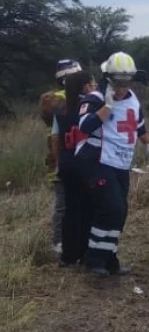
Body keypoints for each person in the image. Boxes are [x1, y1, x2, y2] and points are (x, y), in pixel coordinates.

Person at [75, 51, 149, 276]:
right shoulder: (95, 98)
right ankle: (94, 259)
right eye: (117, 82)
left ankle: (109, 259)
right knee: (112, 208)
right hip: (97, 161)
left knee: (120, 213)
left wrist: (148, 146)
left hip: (121, 163)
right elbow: (84, 127)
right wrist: (107, 108)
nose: (121, 88)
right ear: (108, 78)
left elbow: (138, 124)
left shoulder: (132, 99)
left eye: (126, 82)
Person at [52, 70, 96, 266]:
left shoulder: (61, 108)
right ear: (85, 86)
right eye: (92, 84)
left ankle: (68, 256)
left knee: (70, 210)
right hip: (85, 163)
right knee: (88, 209)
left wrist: (58, 161)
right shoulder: (89, 106)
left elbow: (55, 136)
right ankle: (86, 252)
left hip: (66, 162)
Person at [40, 59, 83, 254]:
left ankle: (69, 238)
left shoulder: (65, 98)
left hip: (68, 157)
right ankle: (58, 241)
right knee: (63, 203)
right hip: (60, 159)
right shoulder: (58, 100)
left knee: (71, 202)